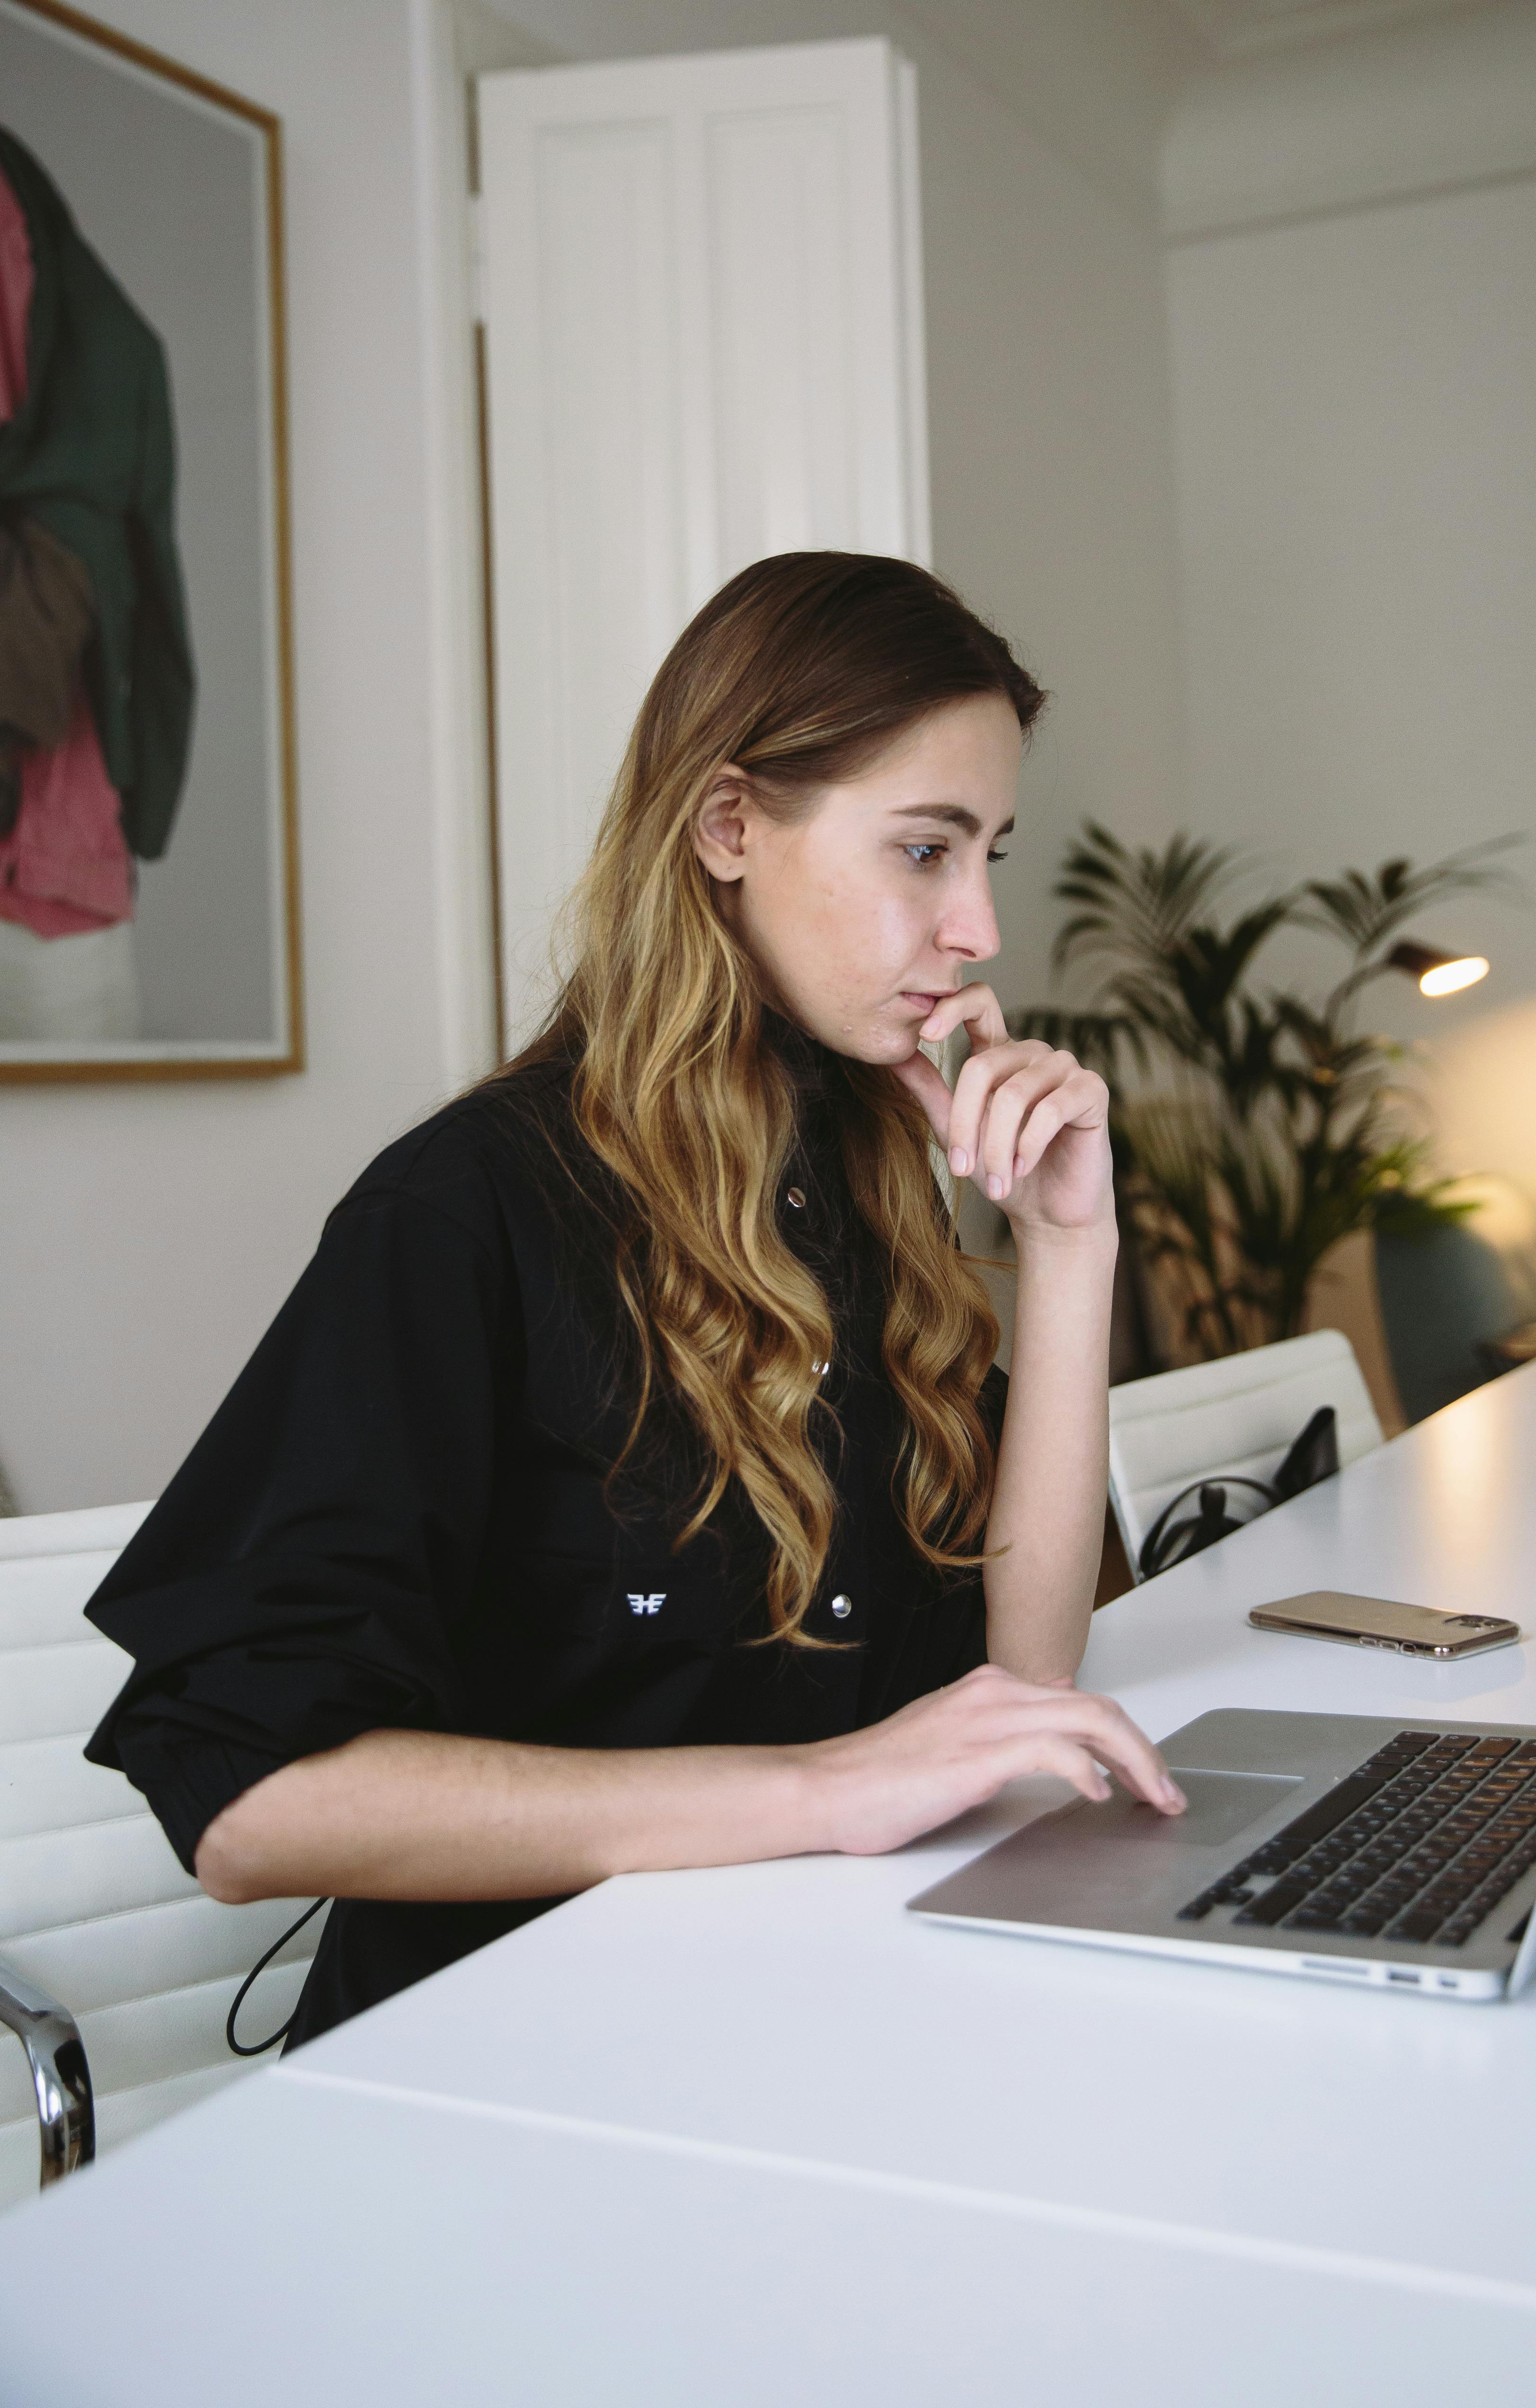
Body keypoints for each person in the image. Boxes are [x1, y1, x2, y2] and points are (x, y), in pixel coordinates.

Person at [86, 552, 1184, 2046]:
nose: (980, 926)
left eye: (989, 851)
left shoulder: (864, 1168)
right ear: (729, 825)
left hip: (826, 2003)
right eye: (926, 851)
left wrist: (1070, 1246)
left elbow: (1023, 1677)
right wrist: (821, 1790)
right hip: (528, 2047)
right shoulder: (468, 1211)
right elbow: (248, 1803)